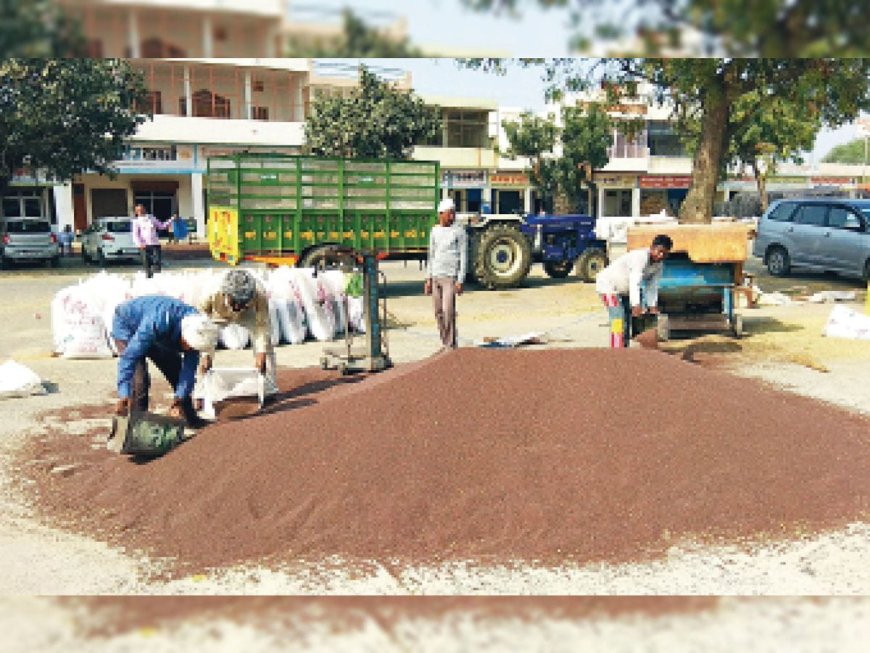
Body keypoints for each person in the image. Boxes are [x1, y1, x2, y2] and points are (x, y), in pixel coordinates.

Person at [111, 295, 219, 428]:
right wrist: (124, 393)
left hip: (159, 332)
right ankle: (136, 428)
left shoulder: (199, 328)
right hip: (127, 325)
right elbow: (130, 357)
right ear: (183, 333)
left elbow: (188, 370)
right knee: (139, 380)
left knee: (176, 368)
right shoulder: (158, 322)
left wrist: (179, 399)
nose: (188, 349)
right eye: (187, 344)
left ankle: (189, 417)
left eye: (192, 347)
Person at [595, 233, 673, 348]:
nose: (660, 255)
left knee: (627, 321)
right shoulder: (640, 257)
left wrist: (652, 306)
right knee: (618, 318)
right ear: (652, 248)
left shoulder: (658, 266)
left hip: (625, 290)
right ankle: (617, 352)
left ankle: (625, 349)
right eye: (659, 251)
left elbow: (652, 286)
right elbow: (635, 281)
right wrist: (636, 305)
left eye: (664, 253)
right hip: (608, 287)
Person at [197, 269, 273, 376]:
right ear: (225, 294)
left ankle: (267, 384)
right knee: (199, 343)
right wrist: (205, 354)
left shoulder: (259, 293)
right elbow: (202, 322)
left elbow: (263, 324)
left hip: (247, 313)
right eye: (234, 301)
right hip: (218, 312)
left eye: (242, 302)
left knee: (265, 343)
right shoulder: (209, 292)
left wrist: (262, 353)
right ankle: (201, 382)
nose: (237, 307)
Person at [424, 197, 467, 351]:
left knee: (448, 311)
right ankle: (445, 341)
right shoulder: (434, 231)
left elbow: (463, 256)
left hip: (450, 277)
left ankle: (451, 344)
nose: (452, 216)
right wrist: (428, 279)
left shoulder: (459, 231)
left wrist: (460, 280)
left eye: (453, 213)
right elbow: (431, 254)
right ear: (441, 214)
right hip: (436, 276)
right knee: (438, 312)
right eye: (449, 213)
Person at [132, 204, 170, 278]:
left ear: (145, 209)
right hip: (144, 246)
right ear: (136, 212)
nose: (141, 211)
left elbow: (161, 226)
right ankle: (149, 279)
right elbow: (135, 235)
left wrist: (170, 220)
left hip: (155, 244)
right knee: (147, 265)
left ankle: (157, 278)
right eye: (139, 210)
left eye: (142, 209)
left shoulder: (151, 218)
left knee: (157, 264)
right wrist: (140, 244)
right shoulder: (136, 221)